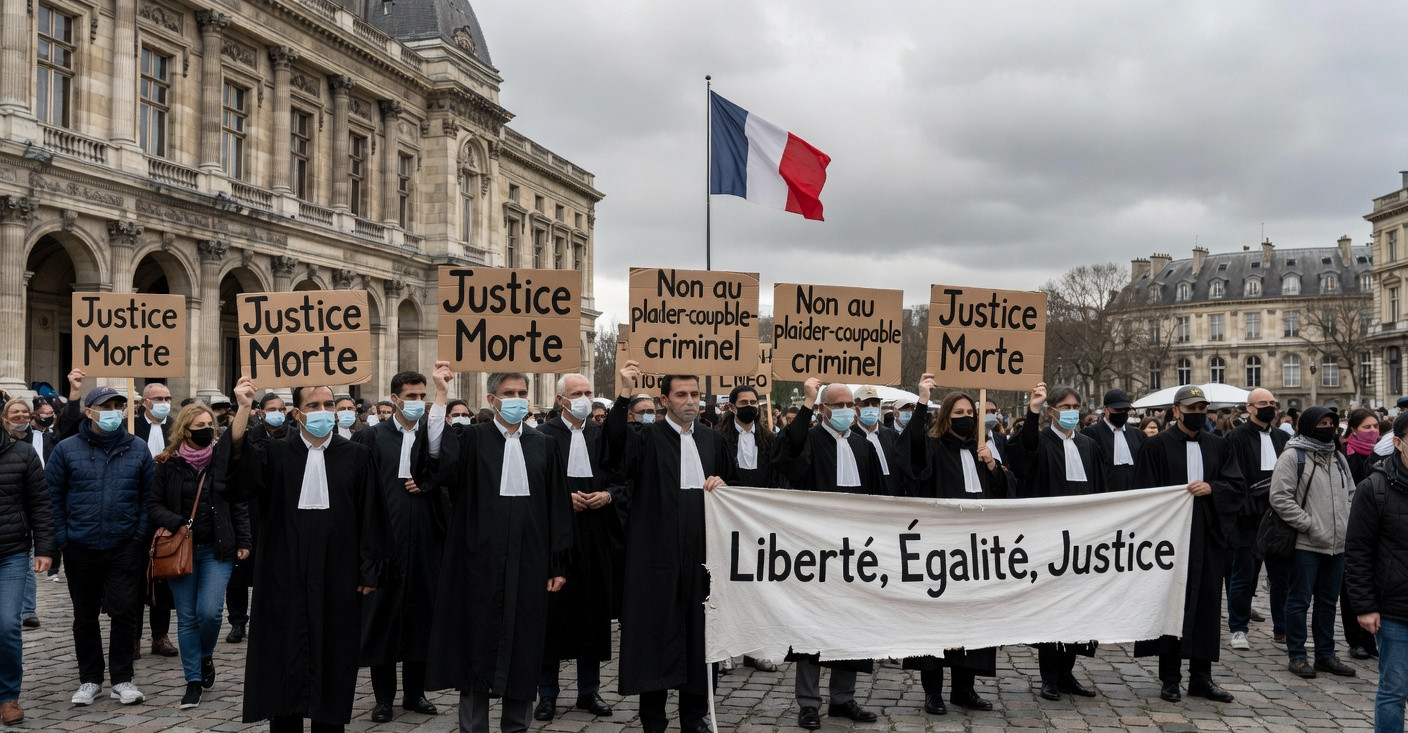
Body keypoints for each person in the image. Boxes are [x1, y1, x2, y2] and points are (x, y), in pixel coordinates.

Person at [224, 379, 392, 733]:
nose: (324, 413)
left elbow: (372, 517)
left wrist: (369, 571)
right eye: (314, 406)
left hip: (338, 575)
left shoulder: (358, 457)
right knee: (283, 661)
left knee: (333, 660)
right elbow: (237, 473)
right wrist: (242, 408)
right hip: (282, 574)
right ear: (296, 414)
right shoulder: (275, 454)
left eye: (329, 405)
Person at [425, 372, 572, 733]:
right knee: (475, 646)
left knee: (523, 649)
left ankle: (516, 727)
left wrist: (557, 563)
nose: (518, 399)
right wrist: (441, 396)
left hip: (530, 562)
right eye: (509, 393)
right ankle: (472, 727)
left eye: (522, 393)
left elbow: (557, 508)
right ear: (492, 401)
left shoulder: (544, 444)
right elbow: (437, 461)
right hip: (477, 563)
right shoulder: (470, 438)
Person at [601, 362, 734, 733]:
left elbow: (734, 488)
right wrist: (624, 393)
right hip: (655, 558)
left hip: (703, 560)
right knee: (655, 640)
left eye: (695, 395)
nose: (691, 401)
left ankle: (694, 717)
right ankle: (653, 721)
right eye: (682, 395)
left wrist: (724, 483)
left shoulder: (713, 440)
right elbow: (612, 447)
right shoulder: (646, 438)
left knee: (700, 641)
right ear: (664, 400)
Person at [772, 379, 882, 730]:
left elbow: (878, 496)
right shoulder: (810, 439)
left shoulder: (864, 445)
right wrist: (805, 403)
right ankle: (808, 702)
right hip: (815, 549)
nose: (847, 410)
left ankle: (843, 698)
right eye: (838, 405)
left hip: (855, 550)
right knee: (810, 625)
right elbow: (787, 454)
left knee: (850, 624)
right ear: (822, 410)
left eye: (850, 404)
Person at [899, 375, 1004, 715]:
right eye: (958, 411)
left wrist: (991, 464)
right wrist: (921, 401)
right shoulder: (933, 445)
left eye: (970, 411)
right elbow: (910, 452)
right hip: (939, 548)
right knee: (936, 621)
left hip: (976, 549)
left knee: (969, 621)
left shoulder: (982, 449)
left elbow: (1007, 492)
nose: (965, 416)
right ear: (946, 415)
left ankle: (964, 688)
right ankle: (933, 692)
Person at [1131, 385, 1240, 704]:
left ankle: (1201, 677)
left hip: (1207, 535)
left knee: (1207, 605)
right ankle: (1170, 678)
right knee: (1172, 605)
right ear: (1176, 411)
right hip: (1170, 540)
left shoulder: (1218, 445)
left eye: (1201, 410)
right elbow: (1144, 493)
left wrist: (1213, 488)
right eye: (1191, 410)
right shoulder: (1157, 447)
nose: (1197, 415)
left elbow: (1236, 486)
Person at [354, 367, 451, 723]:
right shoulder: (372, 438)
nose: (417, 403)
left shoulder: (432, 435)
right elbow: (360, 489)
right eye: (411, 397)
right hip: (384, 542)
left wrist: (428, 484)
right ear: (394, 399)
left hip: (425, 539)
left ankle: (416, 693)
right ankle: (383, 698)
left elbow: (447, 476)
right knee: (382, 618)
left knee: (420, 616)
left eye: (422, 397)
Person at [47, 385, 154, 706]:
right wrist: (63, 539)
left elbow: (147, 497)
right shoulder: (66, 449)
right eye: (107, 406)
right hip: (80, 546)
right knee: (85, 615)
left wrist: (138, 534)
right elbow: (52, 497)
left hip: (124, 544)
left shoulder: (138, 448)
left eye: (119, 406)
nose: (114, 412)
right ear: (90, 411)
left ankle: (123, 678)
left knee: (124, 612)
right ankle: (90, 678)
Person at [148, 403, 251, 709]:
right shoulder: (168, 463)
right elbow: (154, 505)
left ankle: (205, 656)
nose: (207, 430)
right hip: (182, 549)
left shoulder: (222, 460)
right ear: (185, 430)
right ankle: (193, 679)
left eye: (210, 424)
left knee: (210, 612)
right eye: (200, 426)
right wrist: (178, 522)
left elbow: (237, 503)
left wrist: (244, 539)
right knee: (188, 617)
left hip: (217, 548)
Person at [1006, 384, 1103, 701]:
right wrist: (1031, 411)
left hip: (1084, 540)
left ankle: (1066, 673)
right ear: (1051, 411)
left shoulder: (1089, 445)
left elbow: (1100, 490)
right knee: (1051, 608)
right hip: (1048, 539)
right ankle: (1048, 676)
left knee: (1077, 608)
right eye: (1064, 406)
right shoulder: (1041, 441)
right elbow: (1023, 454)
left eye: (1076, 406)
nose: (1072, 411)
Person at [536, 373, 619, 720]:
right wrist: (561, 499)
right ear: (560, 400)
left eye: (588, 392)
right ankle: (548, 695)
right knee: (552, 618)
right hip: (557, 540)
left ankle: (589, 691)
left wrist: (608, 495)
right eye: (577, 393)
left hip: (596, 537)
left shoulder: (603, 436)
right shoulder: (541, 437)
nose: (585, 398)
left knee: (592, 615)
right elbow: (532, 485)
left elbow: (623, 479)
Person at [1269, 407, 1357, 679]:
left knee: (1328, 603)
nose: (1328, 427)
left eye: (1331, 423)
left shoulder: (1339, 458)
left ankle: (1326, 655)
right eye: (1322, 422)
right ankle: (1297, 655)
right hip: (1306, 544)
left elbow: (1351, 493)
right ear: (1308, 425)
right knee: (1298, 601)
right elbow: (1280, 498)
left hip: (1337, 545)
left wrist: (1346, 523)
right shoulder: (1293, 456)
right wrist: (1308, 523)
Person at [1345, 411, 1408, 733]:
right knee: (1394, 689)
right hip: (1395, 608)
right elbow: (1357, 551)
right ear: (1398, 443)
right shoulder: (1374, 488)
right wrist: (1365, 605)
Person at [1221, 388, 1290, 651]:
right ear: (1249, 408)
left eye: (1273, 403)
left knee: (1281, 576)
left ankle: (1282, 629)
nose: (1269, 407)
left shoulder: (1283, 438)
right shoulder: (1234, 438)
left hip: (1279, 516)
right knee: (1243, 575)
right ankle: (1238, 627)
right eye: (1263, 403)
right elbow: (1232, 476)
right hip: (1248, 517)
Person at [0, 397, 55, 725]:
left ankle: (8, 696)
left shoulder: (22, 453)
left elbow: (40, 504)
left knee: (7, 624)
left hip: (11, 553)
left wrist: (45, 548)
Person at [224, 392, 288, 645]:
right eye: (273, 409)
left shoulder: (293, 437)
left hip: (281, 511)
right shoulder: (250, 437)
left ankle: (273, 619)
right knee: (239, 572)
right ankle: (238, 622)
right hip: (250, 511)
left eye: (282, 409)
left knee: (276, 570)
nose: (278, 413)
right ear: (261, 412)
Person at [6, 399, 54, 629]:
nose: (20, 415)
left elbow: (39, 502)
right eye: (14, 412)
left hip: (19, 521)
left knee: (25, 565)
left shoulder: (35, 440)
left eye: (25, 412)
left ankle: (27, 609)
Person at [1343, 408, 1382, 659]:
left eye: (1376, 427)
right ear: (1354, 429)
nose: (1373, 431)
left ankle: (1372, 639)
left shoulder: (1382, 453)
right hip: (1351, 523)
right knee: (1351, 584)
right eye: (1367, 427)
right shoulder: (1345, 454)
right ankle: (1354, 639)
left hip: (1378, 524)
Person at [1081, 389, 1143, 493]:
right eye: (1118, 410)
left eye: (1126, 410)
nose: (1123, 413)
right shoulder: (1090, 435)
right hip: (1104, 496)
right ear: (1105, 409)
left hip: (1134, 495)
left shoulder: (1138, 435)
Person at [719, 385, 779, 490]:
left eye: (753, 402)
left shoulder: (770, 439)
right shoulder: (720, 439)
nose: (749, 406)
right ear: (732, 407)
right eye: (744, 402)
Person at [852, 385, 901, 497]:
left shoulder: (890, 435)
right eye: (866, 404)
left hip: (891, 494)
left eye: (874, 404)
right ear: (856, 408)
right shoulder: (851, 436)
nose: (871, 408)